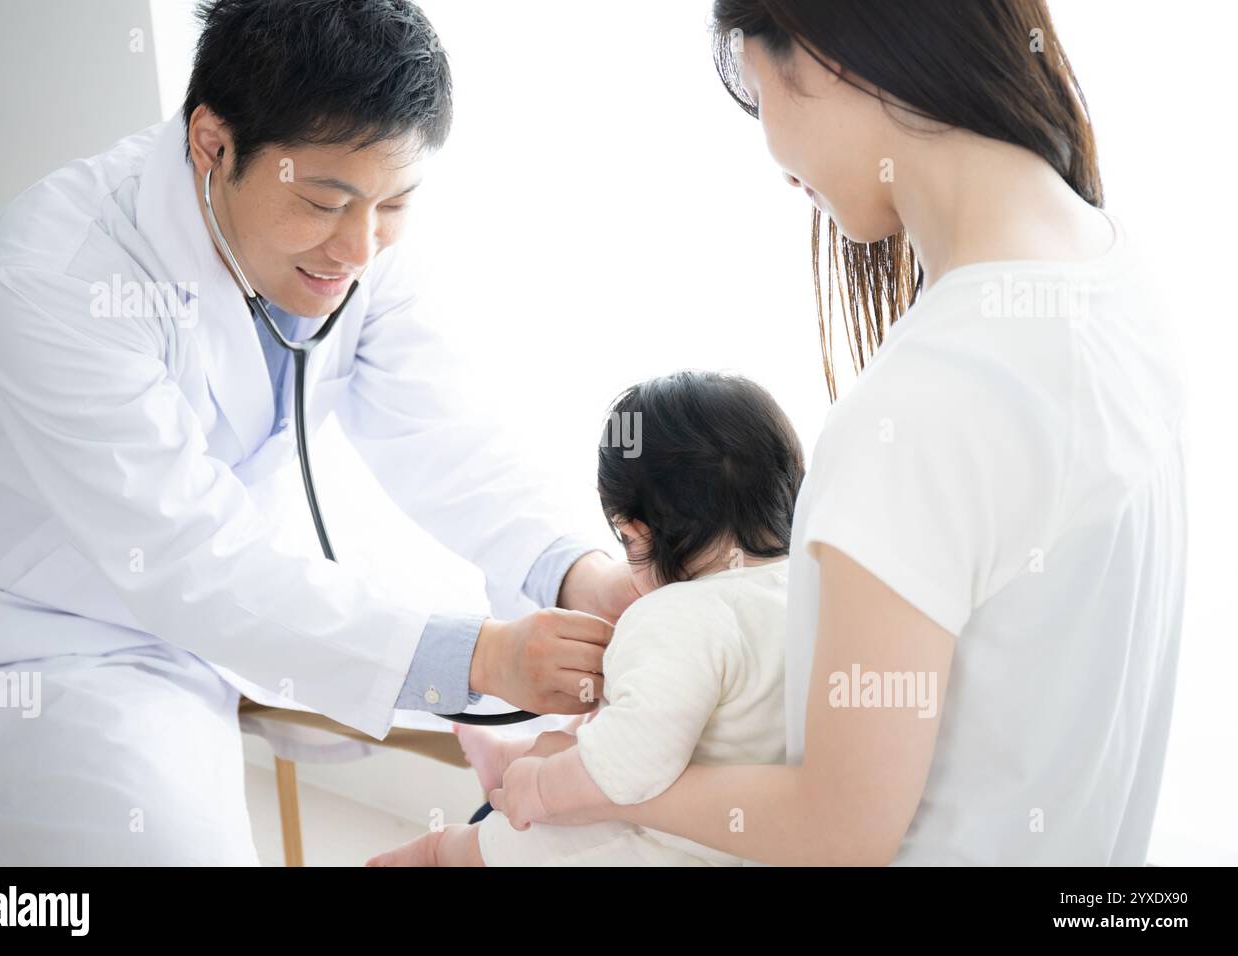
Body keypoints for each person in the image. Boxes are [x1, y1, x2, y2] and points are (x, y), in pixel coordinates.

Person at [488, 0, 1188, 866]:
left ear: (819, 56)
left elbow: (838, 828)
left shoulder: (920, 413)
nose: (778, 162)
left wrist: (590, 774)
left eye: (756, 93)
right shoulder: (1117, 270)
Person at [0, 0, 636, 865]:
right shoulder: (51, 285)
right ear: (211, 143)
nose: (360, 247)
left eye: (396, 203)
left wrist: (581, 570)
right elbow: (190, 559)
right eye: (323, 203)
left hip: (231, 572)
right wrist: (482, 658)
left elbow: (446, 427)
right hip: (55, 633)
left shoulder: (360, 223)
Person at [368, 371, 803, 866]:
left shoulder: (679, 615)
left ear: (634, 534)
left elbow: (625, 767)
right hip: (756, 833)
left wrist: (537, 789)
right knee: (620, 718)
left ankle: (439, 850)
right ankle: (511, 758)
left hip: (669, 844)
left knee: (515, 835)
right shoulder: (815, 593)